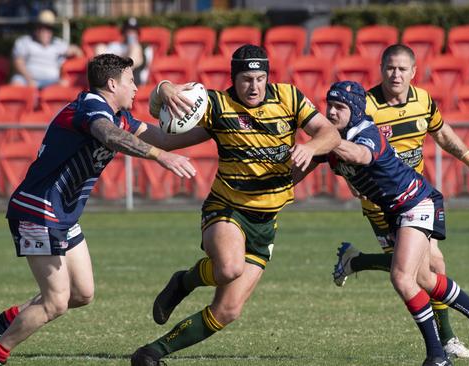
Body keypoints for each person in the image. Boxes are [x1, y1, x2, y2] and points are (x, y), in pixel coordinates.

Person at [0, 53, 196, 366]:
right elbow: (108, 136)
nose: (136, 88)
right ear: (112, 83)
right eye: (131, 81)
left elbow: (163, 138)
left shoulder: (120, 116)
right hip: (37, 211)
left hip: (63, 215)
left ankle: (1, 322)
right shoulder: (91, 105)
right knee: (56, 302)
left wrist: (217, 127)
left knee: (82, 294)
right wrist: (159, 156)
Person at [128, 44, 342, 365]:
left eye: (259, 78)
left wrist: (311, 147)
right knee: (229, 268)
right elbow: (166, 132)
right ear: (233, 79)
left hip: (266, 221)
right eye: (245, 79)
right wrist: (163, 88)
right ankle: (185, 282)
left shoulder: (289, 98)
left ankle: (151, 352)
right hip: (227, 208)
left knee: (228, 310)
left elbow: (330, 133)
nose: (253, 86)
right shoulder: (217, 104)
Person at [297, 80, 469, 366]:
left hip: (415, 201)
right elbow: (302, 169)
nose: (331, 112)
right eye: (329, 105)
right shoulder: (334, 138)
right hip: (396, 211)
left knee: (402, 278)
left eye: (340, 107)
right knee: (424, 278)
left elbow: (360, 155)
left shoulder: (366, 132)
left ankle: (437, 355)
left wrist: (325, 142)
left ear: (356, 110)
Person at [331, 44, 469, 359]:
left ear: (413, 72)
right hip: (380, 206)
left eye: (403, 69)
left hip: (413, 199)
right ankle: (451, 338)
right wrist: (352, 183)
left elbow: (443, 134)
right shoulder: (368, 108)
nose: (396, 74)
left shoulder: (423, 101)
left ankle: (447, 341)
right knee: (412, 273)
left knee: (425, 267)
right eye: (390, 68)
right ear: (381, 69)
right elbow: (347, 149)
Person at [10, 9, 83, 88]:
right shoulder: (25, 42)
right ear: (36, 29)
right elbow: (18, 62)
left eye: (49, 28)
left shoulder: (58, 44)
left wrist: (74, 56)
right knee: (16, 83)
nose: (45, 32)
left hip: (52, 80)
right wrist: (29, 79)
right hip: (27, 79)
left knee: (65, 84)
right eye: (42, 28)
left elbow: (77, 51)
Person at [95, 17, 152, 85]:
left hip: (134, 80)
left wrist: (132, 48)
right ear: (123, 32)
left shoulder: (144, 47)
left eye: (134, 31)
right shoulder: (116, 46)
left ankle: (122, 74)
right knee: (100, 46)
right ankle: (104, 79)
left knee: (135, 48)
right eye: (128, 31)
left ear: (137, 33)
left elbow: (146, 68)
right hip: (112, 77)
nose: (131, 34)